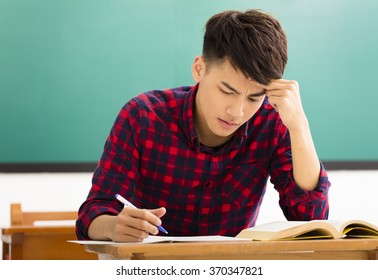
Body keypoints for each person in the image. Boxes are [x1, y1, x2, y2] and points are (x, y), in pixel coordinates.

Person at [76, 9, 330, 242]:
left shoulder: (273, 123)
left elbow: (311, 220)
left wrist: (300, 126)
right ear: (199, 69)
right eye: (226, 90)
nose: (237, 112)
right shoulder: (143, 116)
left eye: (254, 97)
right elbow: (94, 211)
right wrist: (113, 226)